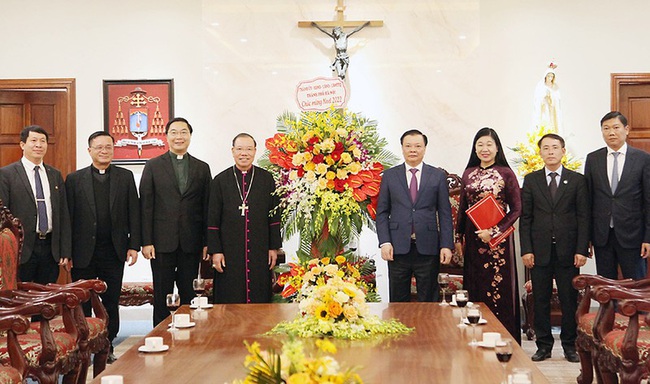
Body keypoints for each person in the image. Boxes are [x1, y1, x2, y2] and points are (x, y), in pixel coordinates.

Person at [65, 131, 141, 363]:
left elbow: (134, 213)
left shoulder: (125, 177)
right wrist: (66, 252)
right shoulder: (74, 179)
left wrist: (133, 245)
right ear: (89, 150)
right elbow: (67, 218)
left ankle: (107, 346)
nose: (104, 151)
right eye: (99, 147)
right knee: (83, 301)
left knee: (110, 300)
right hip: (82, 252)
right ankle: (83, 347)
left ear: (113, 149)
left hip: (113, 250)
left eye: (108, 147)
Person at [519, 133, 589, 363]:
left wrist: (582, 249)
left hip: (569, 251)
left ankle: (570, 345)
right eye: (546, 148)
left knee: (569, 300)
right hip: (539, 251)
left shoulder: (577, 180)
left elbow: (583, 217)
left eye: (554, 147)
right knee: (540, 299)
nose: (550, 151)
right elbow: (526, 218)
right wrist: (526, 250)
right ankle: (544, 345)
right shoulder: (531, 180)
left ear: (563, 151)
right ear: (540, 152)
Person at [140, 117, 211, 326]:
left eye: (183, 132)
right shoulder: (153, 166)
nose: (179, 136)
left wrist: (207, 242)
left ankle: (189, 336)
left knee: (190, 293)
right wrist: (146, 241)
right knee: (162, 292)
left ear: (190, 136)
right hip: (161, 242)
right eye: (174, 132)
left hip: (192, 241)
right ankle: (160, 333)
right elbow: (145, 205)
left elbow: (208, 207)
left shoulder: (202, 168)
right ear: (166, 136)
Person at [455, 127, 522, 344]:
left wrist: (494, 232)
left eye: (489, 144)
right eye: (480, 145)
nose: (485, 149)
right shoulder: (468, 173)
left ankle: (503, 338)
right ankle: (476, 337)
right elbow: (463, 209)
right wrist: (458, 238)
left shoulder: (506, 173)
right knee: (475, 287)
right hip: (473, 240)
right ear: (475, 148)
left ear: (497, 148)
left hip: (498, 243)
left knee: (498, 289)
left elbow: (517, 209)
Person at [376, 129, 453, 302]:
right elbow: (382, 212)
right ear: (402, 148)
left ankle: (427, 330)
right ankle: (399, 330)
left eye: (418, 146)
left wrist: (446, 245)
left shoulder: (437, 176)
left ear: (424, 148)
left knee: (428, 301)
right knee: (398, 301)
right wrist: (385, 242)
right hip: (397, 247)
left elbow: (445, 213)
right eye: (408, 146)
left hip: (428, 247)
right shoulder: (390, 176)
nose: (413, 150)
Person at [207, 133, 282, 303]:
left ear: (255, 151)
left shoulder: (266, 179)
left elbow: (274, 216)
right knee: (230, 295)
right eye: (239, 149)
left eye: (249, 149)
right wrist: (216, 251)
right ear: (232, 151)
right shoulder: (220, 181)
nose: (244, 153)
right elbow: (212, 220)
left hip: (259, 248)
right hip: (229, 250)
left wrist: (273, 248)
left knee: (259, 293)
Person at [0, 125, 71, 284]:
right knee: (21, 301)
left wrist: (65, 250)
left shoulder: (55, 174)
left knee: (47, 300)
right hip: (20, 249)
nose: (39, 145)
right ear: (22, 145)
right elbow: (3, 216)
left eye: (43, 141)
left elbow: (63, 214)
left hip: (50, 248)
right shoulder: (7, 174)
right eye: (33, 140)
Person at [584, 111, 650, 280]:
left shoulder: (642, 159)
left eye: (615, 127)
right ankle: (608, 308)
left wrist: (648, 238)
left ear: (626, 129)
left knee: (635, 287)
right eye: (606, 128)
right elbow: (588, 200)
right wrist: (587, 238)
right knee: (606, 288)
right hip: (602, 236)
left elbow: (648, 201)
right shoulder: (593, 159)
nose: (611, 132)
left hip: (633, 236)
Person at [533, 63, 562, 133]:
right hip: (544, 109)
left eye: (551, 76)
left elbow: (558, 99)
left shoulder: (555, 87)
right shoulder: (541, 86)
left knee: (553, 125)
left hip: (552, 109)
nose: (550, 78)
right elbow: (537, 99)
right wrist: (545, 96)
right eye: (548, 76)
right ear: (545, 76)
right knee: (545, 124)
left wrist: (552, 97)